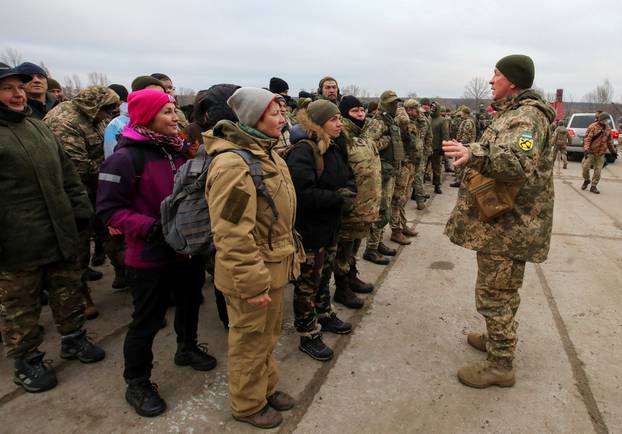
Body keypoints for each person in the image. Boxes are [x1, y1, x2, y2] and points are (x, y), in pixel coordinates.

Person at [96, 89, 216, 417]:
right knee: (147, 320)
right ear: (146, 116)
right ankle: (137, 381)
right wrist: (150, 228)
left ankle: (187, 347)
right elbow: (108, 209)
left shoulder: (179, 151)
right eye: (166, 112)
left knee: (190, 303)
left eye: (174, 110)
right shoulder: (125, 157)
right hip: (149, 255)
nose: (175, 117)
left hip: (186, 251)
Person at [443, 54, 556, 388]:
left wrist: (473, 153)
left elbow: (518, 163)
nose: (491, 80)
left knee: (495, 294)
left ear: (513, 81)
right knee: (501, 290)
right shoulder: (512, 114)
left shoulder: (526, 118)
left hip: (510, 228)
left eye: (496, 74)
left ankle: (500, 365)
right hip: (503, 224)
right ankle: (497, 341)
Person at [0, 63, 105, 393]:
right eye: (8, 89)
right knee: (21, 305)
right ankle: (26, 360)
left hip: (58, 229)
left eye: (21, 87)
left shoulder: (38, 127)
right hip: (16, 241)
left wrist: (80, 208)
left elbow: (67, 173)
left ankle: (73, 338)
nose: (19, 94)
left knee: (66, 287)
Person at [205, 87, 301, 428]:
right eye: (275, 113)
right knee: (249, 340)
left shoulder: (266, 152)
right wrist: (251, 282)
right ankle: (247, 404)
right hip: (251, 273)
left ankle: (265, 388)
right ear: (254, 117)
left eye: (282, 111)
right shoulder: (234, 164)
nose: (283, 118)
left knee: (267, 336)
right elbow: (231, 233)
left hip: (271, 266)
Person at [287, 100, 356, 361]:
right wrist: (338, 198)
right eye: (333, 119)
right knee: (308, 283)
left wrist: (349, 191)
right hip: (311, 229)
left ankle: (324, 314)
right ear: (319, 123)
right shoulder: (305, 151)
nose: (339, 123)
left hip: (330, 226)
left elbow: (348, 175)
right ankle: (308, 333)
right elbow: (301, 194)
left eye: (340, 118)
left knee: (324, 273)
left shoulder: (336, 146)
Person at [44, 86, 120, 318]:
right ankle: (81, 298)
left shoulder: (96, 118)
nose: (109, 115)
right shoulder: (63, 121)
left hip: (99, 187)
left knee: (112, 235)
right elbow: (77, 167)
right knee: (78, 249)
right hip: (75, 194)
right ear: (94, 106)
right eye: (106, 110)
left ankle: (125, 274)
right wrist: (114, 170)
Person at [337, 95, 381, 299]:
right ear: (345, 113)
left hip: (365, 207)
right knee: (343, 251)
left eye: (362, 110)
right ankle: (342, 287)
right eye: (355, 111)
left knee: (354, 247)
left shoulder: (363, 137)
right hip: (350, 208)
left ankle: (352, 276)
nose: (361, 114)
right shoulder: (340, 137)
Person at [363, 90, 406, 264]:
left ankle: (378, 243)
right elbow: (367, 144)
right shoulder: (378, 122)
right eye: (391, 103)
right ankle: (371, 249)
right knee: (381, 212)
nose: (395, 105)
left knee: (386, 209)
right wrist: (385, 142)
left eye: (396, 103)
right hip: (381, 172)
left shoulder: (390, 120)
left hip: (390, 172)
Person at [581, 113, 615, 194]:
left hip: (601, 153)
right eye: (605, 120)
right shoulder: (593, 127)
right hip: (591, 152)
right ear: (601, 119)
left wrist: (613, 151)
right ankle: (586, 180)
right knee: (585, 168)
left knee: (598, 170)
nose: (607, 121)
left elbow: (609, 141)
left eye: (608, 120)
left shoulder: (608, 129)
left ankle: (593, 186)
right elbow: (587, 139)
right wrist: (586, 149)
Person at [450, 106, 477, 188]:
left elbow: (466, 136)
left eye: (461, 112)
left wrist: (460, 144)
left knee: (461, 164)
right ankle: (460, 179)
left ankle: (460, 181)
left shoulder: (468, 122)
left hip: (464, 146)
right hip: (464, 145)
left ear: (465, 113)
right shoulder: (466, 121)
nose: (460, 113)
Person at [430, 101, 450, 194]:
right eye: (431, 107)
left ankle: (437, 185)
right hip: (427, 147)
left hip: (436, 148)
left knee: (436, 168)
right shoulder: (428, 118)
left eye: (434, 107)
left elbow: (445, 134)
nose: (432, 109)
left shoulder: (442, 120)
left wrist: (444, 147)